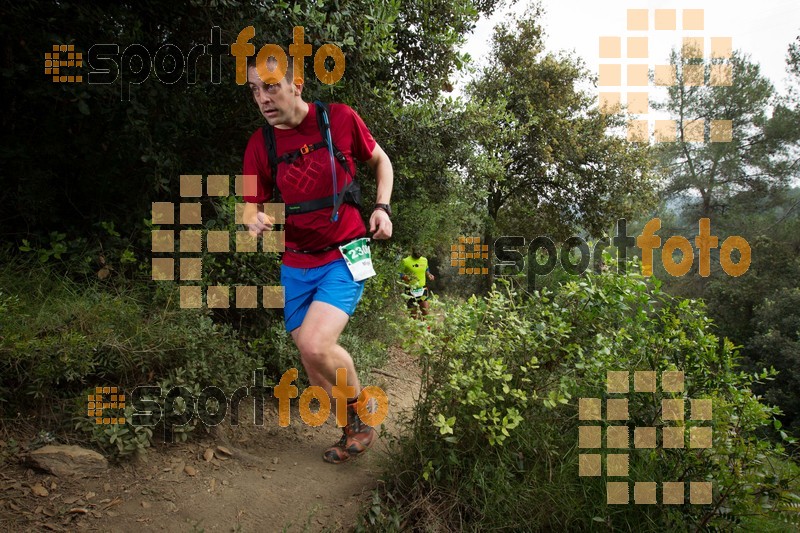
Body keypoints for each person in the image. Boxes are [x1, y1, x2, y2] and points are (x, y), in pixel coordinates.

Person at [241, 52, 393, 464]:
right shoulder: (263, 143)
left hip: (345, 252)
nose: (263, 98)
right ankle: (350, 430)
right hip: (296, 263)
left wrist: (382, 207)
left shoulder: (339, 119)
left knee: (314, 342)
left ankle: (362, 417)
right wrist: (252, 217)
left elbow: (381, 161)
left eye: (271, 86)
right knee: (313, 364)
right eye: (255, 89)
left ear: (296, 85)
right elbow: (248, 202)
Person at [399, 248, 434, 319]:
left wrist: (429, 275)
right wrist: (405, 277)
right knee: (413, 316)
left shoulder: (424, 260)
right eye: (417, 252)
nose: (419, 253)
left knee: (426, 314)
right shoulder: (405, 261)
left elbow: (426, 269)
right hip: (410, 291)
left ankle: (427, 330)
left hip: (422, 289)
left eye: (420, 252)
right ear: (413, 250)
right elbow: (399, 273)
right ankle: (413, 330)